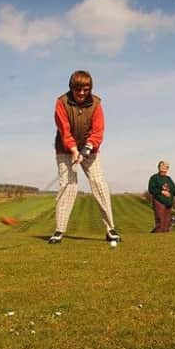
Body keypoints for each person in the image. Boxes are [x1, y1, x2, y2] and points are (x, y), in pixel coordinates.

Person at [48, 70, 120, 244]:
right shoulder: (61, 103)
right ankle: (59, 230)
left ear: (90, 89)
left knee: (99, 184)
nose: (81, 93)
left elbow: (98, 131)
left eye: (85, 90)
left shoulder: (96, 104)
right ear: (72, 87)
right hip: (65, 148)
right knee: (68, 185)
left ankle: (110, 229)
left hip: (89, 148)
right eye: (78, 89)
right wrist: (74, 150)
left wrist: (86, 149)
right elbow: (64, 130)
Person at [148, 161, 175, 232]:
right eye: (162, 166)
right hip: (159, 202)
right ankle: (155, 239)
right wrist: (162, 192)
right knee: (160, 223)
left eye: (166, 167)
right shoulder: (154, 178)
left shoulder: (168, 179)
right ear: (159, 167)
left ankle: (164, 240)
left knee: (167, 224)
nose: (164, 168)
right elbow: (151, 189)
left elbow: (174, 190)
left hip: (168, 204)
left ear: (168, 168)